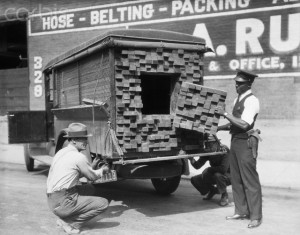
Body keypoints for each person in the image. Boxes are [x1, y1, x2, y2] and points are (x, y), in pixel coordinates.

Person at [215, 69, 262, 229]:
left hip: (246, 142)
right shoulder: (237, 100)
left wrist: (226, 113)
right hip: (235, 141)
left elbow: (244, 124)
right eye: (236, 82)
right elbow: (234, 122)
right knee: (236, 179)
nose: (236, 85)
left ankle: (255, 216)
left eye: (240, 83)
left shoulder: (252, 101)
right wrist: (218, 128)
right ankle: (241, 211)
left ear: (248, 83)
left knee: (250, 180)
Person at [47, 123, 110, 234]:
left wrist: (92, 167)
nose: (86, 142)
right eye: (83, 139)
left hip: (52, 199)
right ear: (74, 140)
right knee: (103, 203)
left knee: (90, 188)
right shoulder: (79, 157)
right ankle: (71, 223)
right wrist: (103, 170)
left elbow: (74, 173)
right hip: (63, 201)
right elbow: (92, 177)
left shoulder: (61, 152)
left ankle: (65, 217)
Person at [189, 136, 231, 206]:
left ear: (216, 143)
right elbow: (197, 166)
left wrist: (209, 169)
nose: (207, 146)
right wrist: (191, 160)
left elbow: (223, 169)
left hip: (229, 175)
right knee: (195, 179)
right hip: (216, 174)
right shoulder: (208, 151)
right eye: (206, 144)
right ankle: (213, 190)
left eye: (210, 144)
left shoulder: (224, 150)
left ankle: (224, 195)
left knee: (217, 175)